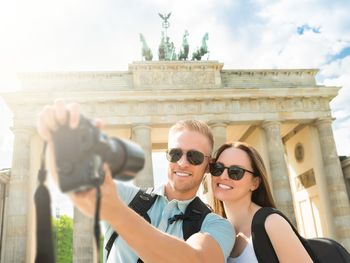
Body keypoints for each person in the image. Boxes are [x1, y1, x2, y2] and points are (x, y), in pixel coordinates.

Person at [36, 100, 235, 263]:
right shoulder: (126, 197)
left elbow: (199, 260)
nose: (182, 163)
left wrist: (116, 212)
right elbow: (79, 183)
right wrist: (62, 144)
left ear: (208, 165)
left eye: (194, 157)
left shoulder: (217, 226)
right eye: (175, 154)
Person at [209, 142, 313, 262]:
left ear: (255, 183)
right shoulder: (217, 229)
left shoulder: (272, 223)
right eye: (217, 168)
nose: (223, 176)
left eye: (235, 172)